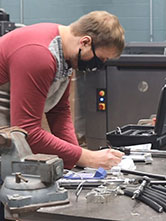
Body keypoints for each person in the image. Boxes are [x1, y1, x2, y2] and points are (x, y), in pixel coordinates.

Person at [0, 11, 125, 169]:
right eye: (100, 59)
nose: (98, 65)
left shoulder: (65, 52)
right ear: (85, 42)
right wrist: (87, 157)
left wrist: (76, 162)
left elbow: (59, 111)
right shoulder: (40, 55)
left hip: (12, 126)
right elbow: (28, 131)